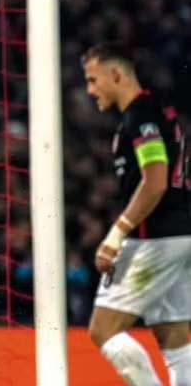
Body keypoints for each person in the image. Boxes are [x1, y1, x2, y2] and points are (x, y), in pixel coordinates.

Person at [82, 44, 191, 386]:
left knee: (103, 329)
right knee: (173, 335)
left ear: (116, 74)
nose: (90, 90)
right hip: (180, 234)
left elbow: (155, 179)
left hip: (153, 239)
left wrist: (117, 234)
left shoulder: (140, 116)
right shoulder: (160, 111)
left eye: (93, 79)